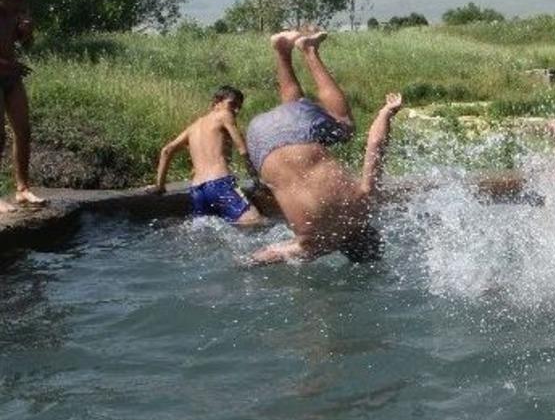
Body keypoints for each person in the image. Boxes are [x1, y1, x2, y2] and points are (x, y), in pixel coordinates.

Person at [245, 27, 402, 264]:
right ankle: (281, 49)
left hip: (291, 132)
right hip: (258, 141)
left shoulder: (363, 206)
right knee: (295, 110)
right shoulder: (308, 247)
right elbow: (259, 258)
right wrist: (243, 265)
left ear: (370, 232)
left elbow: (376, 144)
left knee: (345, 126)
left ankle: (308, 50)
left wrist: (386, 113)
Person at [147, 85, 265, 225]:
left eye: (239, 107)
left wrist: (160, 186)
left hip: (197, 191)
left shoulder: (193, 127)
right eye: (232, 104)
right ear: (216, 102)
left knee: (207, 232)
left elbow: (167, 150)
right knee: (258, 222)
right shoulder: (224, 115)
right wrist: (257, 182)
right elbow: (242, 149)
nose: (236, 110)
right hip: (220, 184)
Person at [0, 0, 46, 212]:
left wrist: (27, 32)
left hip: (11, 79)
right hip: (5, 74)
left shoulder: (14, 14)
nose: (22, 3)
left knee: (23, 131)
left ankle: (22, 189)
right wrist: (14, 66)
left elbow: (22, 43)